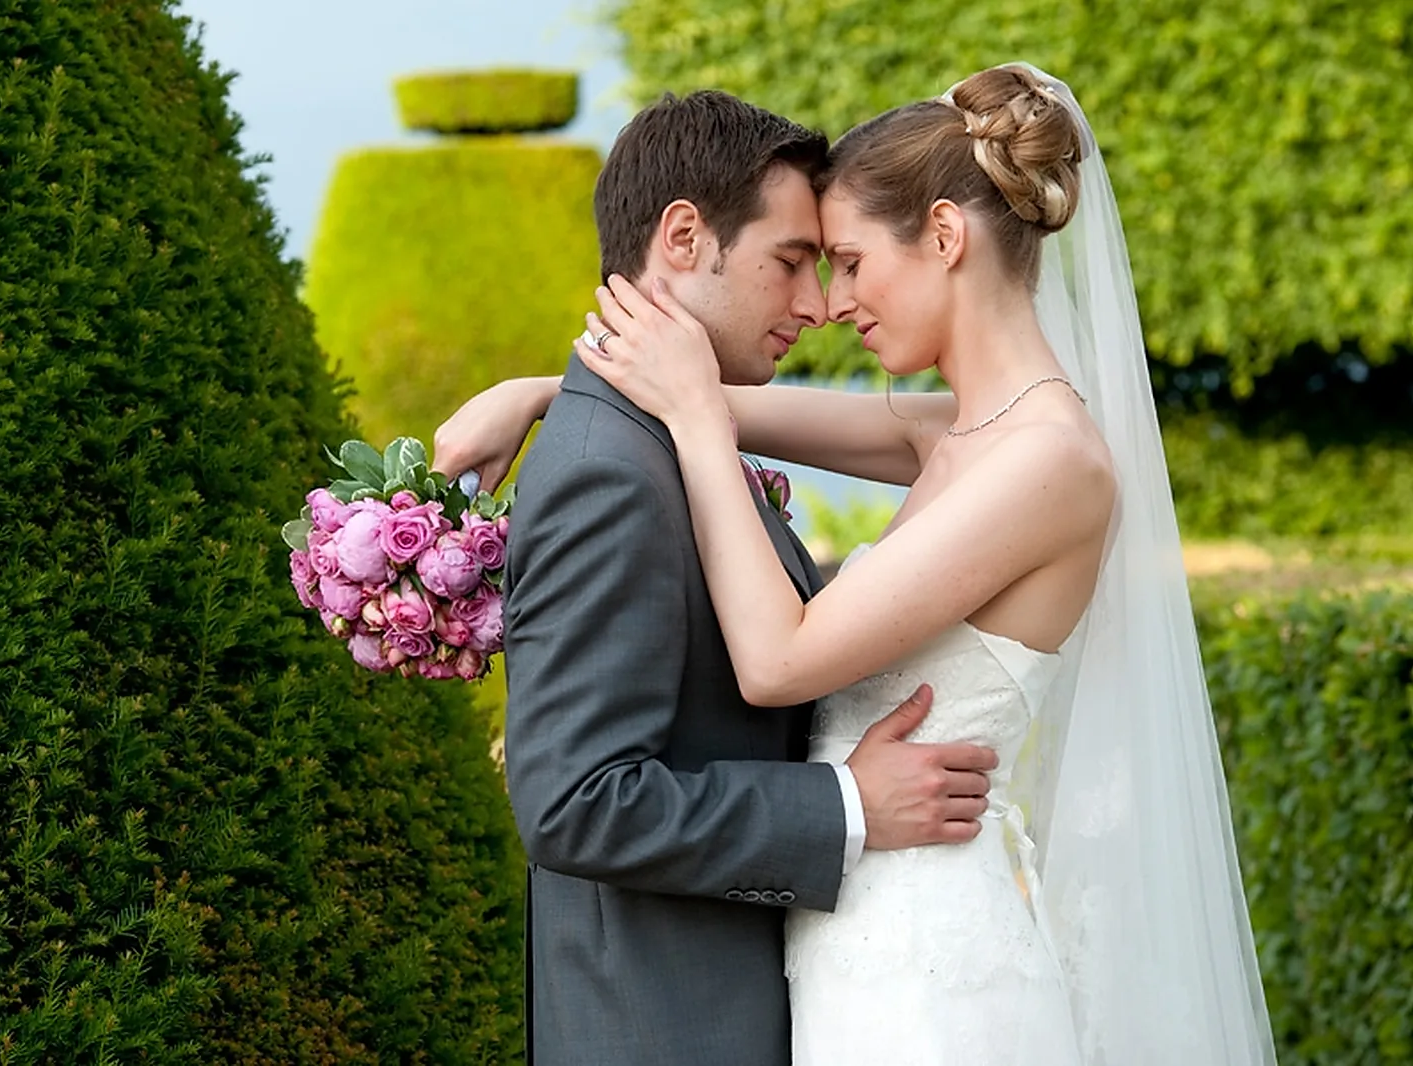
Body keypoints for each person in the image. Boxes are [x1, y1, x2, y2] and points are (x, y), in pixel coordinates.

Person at [439, 65, 1276, 1064]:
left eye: (841, 260)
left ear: (945, 237)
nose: (830, 304)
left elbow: (777, 661)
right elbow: (709, 393)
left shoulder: (1048, 461)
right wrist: (539, 390)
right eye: (805, 262)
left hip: (928, 962)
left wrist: (700, 428)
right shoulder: (955, 430)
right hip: (848, 942)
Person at [472, 89, 1004, 1066]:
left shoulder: (669, 438)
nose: (815, 306)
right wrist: (845, 805)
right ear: (684, 237)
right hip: (663, 1028)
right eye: (790, 262)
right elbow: (573, 801)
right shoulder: (609, 472)